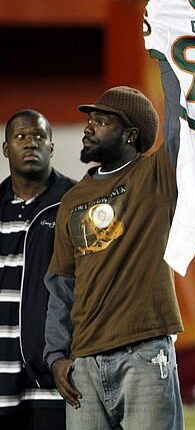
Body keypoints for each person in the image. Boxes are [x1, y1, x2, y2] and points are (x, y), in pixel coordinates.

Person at [43, 86, 184, 429]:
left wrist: (168, 58)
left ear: (130, 135)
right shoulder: (72, 199)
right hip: (84, 363)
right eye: (89, 120)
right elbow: (61, 284)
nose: (88, 127)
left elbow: (180, 129)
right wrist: (56, 356)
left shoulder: (155, 177)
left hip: (145, 351)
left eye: (102, 121)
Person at [0, 110, 75, 429]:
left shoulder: (75, 203)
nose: (31, 143)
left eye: (39, 136)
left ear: (52, 147)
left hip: (51, 381)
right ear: (6, 149)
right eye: (20, 137)